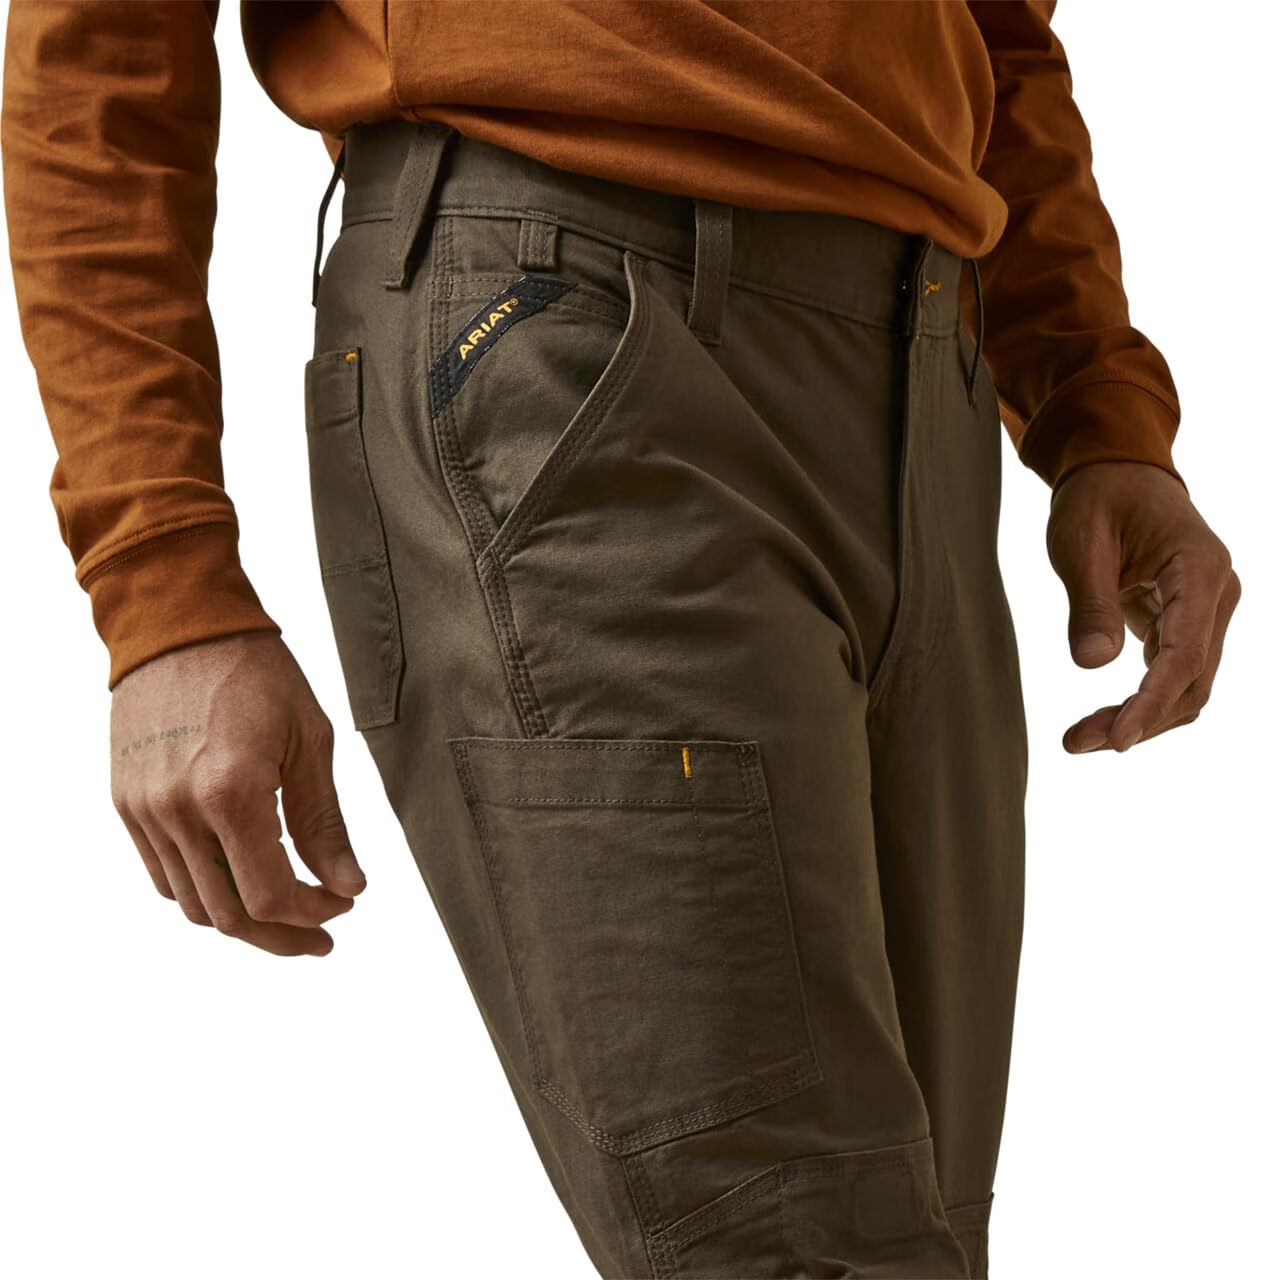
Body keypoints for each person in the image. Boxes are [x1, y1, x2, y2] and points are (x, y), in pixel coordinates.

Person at [1, 2, 1241, 1276]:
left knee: (905, 1230)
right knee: (791, 1240)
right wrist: (163, 583)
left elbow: (996, 38)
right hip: (570, 318)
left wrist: (1100, 412)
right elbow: (99, 44)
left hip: (928, 360)